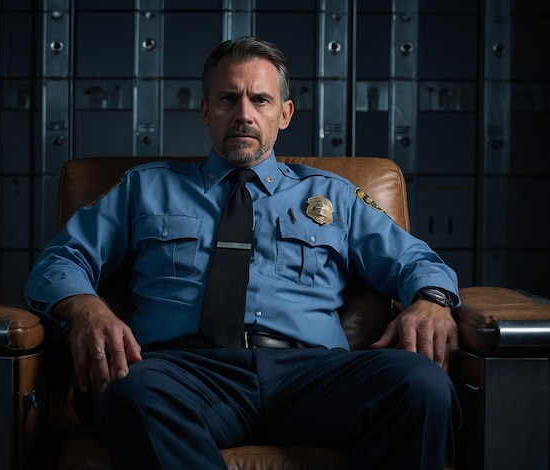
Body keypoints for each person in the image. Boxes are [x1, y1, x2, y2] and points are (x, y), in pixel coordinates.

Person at [26, 37, 461, 469]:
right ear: (205, 110)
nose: (244, 115)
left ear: (284, 114)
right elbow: (59, 261)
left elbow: (416, 261)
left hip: (311, 374)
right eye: (228, 99)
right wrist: (86, 308)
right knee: (126, 390)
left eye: (261, 100)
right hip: (184, 374)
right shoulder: (145, 188)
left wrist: (431, 300)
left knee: (421, 385)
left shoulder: (333, 197)